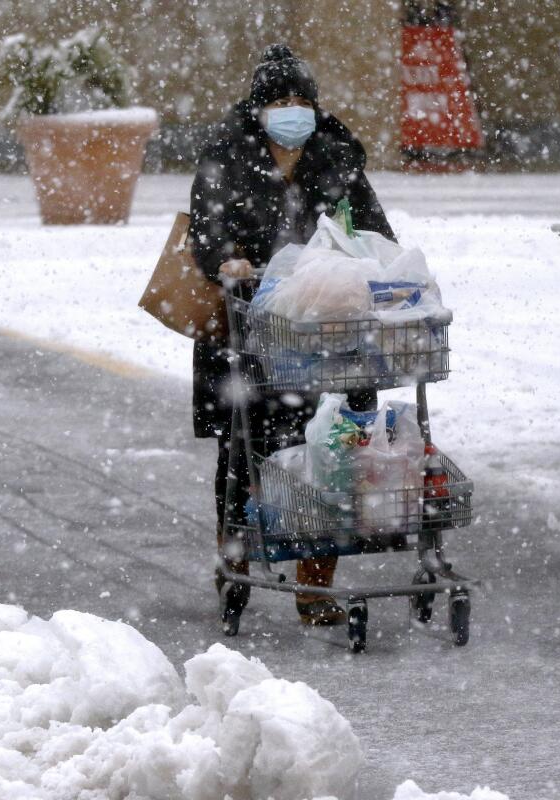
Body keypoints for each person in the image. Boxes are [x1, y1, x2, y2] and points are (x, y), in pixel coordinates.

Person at [189, 44, 394, 626]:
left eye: (301, 100)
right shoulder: (225, 159)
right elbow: (207, 230)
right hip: (251, 327)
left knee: (329, 449)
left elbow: (376, 231)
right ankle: (236, 562)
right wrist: (229, 260)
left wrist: (382, 270)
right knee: (245, 448)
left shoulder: (335, 159)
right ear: (258, 108)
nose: (292, 111)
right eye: (280, 101)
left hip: (327, 329)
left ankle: (314, 585)